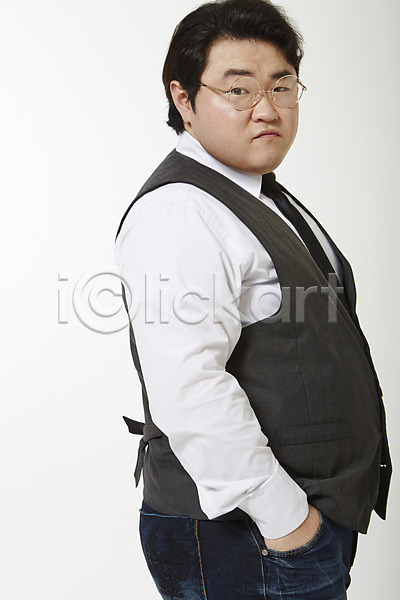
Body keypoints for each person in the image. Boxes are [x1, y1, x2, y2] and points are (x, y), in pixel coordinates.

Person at [114, 1, 391, 598]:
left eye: (281, 86)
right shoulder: (180, 212)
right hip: (246, 535)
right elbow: (188, 387)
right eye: (238, 89)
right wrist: (287, 521)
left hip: (284, 528)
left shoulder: (259, 194)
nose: (267, 109)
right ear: (184, 100)